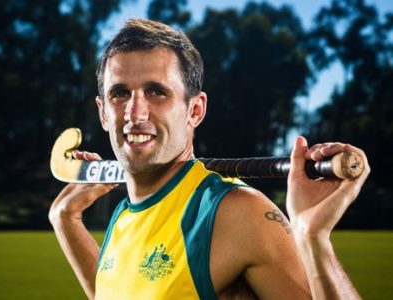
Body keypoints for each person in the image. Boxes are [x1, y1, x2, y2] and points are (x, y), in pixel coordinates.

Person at [49, 19, 370, 299]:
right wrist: (66, 221)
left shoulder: (237, 213)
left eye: (156, 92)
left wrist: (312, 238)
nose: (135, 113)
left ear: (195, 110)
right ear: (103, 113)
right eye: (119, 94)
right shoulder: (123, 217)